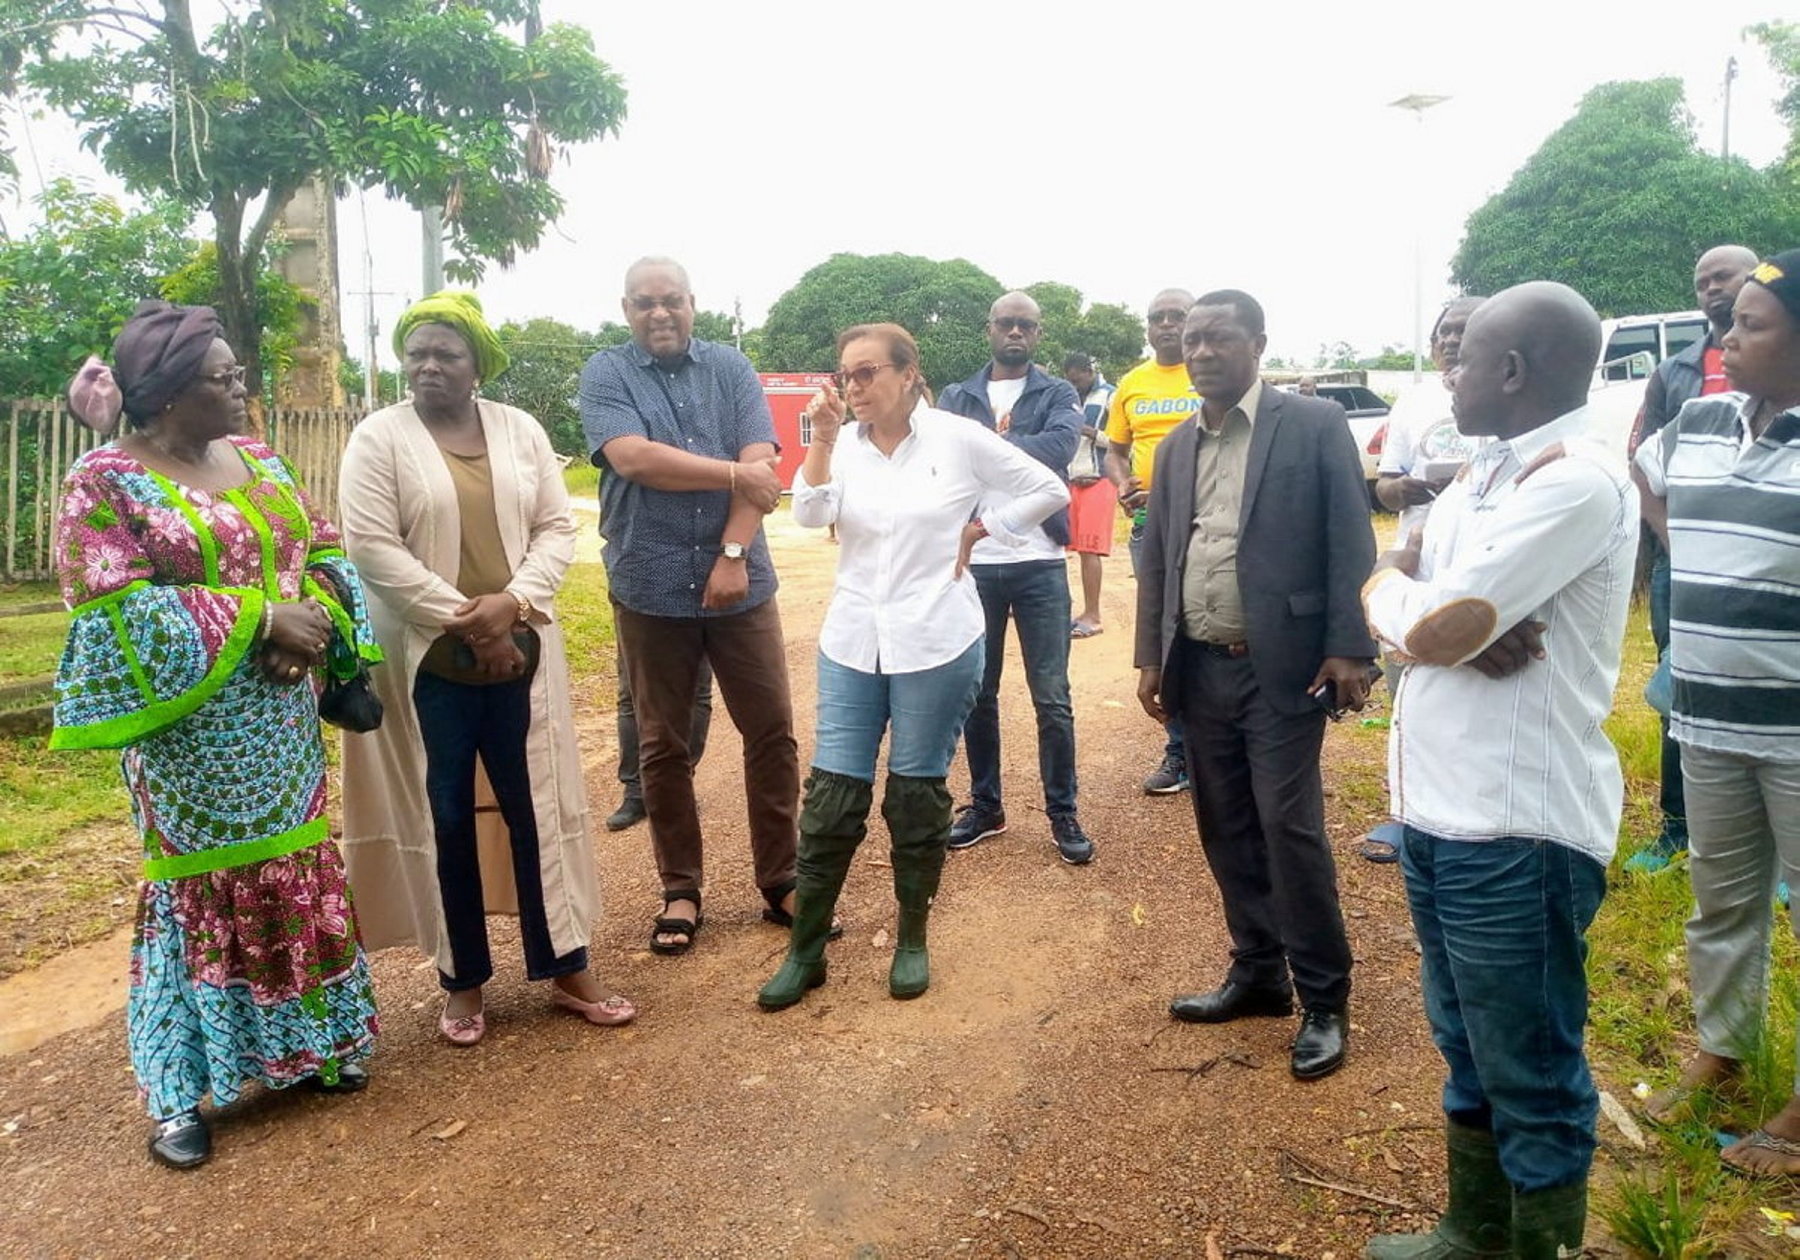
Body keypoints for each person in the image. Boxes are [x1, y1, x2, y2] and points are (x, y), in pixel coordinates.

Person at [52, 300, 380, 1169]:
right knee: (193, 889)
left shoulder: (262, 461)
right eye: (221, 377)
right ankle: (176, 1094)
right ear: (163, 394)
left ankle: (314, 1047)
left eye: (240, 372)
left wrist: (313, 619)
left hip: (279, 722)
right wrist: (258, 619)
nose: (241, 387)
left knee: (295, 865)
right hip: (186, 736)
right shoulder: (105, 480)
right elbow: (109, 609)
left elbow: (325, 548)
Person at [1362, 282, 1635, 1257]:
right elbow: (1435, 609)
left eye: (1465, 355)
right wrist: (1425, 605)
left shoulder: (1575, 481)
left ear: (1512, 371)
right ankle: (1472, 1233)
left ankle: (1539, 1244)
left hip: (1518, 830)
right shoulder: (1483, 476)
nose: (1450, 369)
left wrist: (1396, 595)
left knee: (1531, 1065)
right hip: (1439, 812)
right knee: (1466, 1041)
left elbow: (1432, 617)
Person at [339, 291, 634, 1047]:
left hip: (522, 653)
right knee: (445, 818)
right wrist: (469, 620)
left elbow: (555, 526)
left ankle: (566, 966)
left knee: (535, 804)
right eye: (418, 353)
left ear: (479, 365)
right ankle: (462, 981)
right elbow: (371, 547)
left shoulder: (518, 430)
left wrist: (513, 602)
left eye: (448, 353)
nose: (430, 366)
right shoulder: (379, 437)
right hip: (428, 662)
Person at [757, 324, 1069, 1009]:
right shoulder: (845, 447)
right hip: (853, 637)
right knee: (833, 795)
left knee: (916, 794)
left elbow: (1050, 488)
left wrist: (985, 529)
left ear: (907, 374)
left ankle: (912, 938)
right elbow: (809, 514)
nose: (855, 387)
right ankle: (805, 951)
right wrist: (820, 440)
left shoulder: (958, 440)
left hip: (937, 636)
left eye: (868, 373)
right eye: (847, 375)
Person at [1136, 289, 1376, 1082]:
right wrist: (1150, 657)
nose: (1201, 350)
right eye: (1193, 339)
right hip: (1199, 666)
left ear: (1258, 344)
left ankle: (1325, 996)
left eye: (1219, 338)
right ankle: (1259, 973)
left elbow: (1350, 533)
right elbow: (1159, 557)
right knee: (1224, 822)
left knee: (1289, 827)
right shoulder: (1174, 448)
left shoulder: (1310, 426)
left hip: (1286, 665)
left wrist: (1350, 645)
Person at [1633, 250, 1800, 1178]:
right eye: (1730, 320)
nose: (1728, 339)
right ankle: (1723, 1054)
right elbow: (1645, 476)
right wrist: (1689, 547)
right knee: (1721, 900)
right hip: (1704, 714)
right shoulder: (1697, 416)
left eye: (1753, 325)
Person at [579, 257, 801, 953]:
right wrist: (737, 471)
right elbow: (636, 459)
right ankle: (680, 888)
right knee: (662, 745)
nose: (659, 314)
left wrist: (733, 555)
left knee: (771, 732)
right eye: (644, 303)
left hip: (741, 585)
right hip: (648, 584)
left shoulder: (731, 369)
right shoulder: (606, 373)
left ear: (692, 303)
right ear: (626, 310)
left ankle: (783, 879)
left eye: (670, 300)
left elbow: (761, 469)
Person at [937, 292, 1094, 865]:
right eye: (1006, 323)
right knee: (979, 692)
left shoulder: (1056, 392)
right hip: (975, 564)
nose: (1016, 332)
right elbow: (943, 456)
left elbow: (1059, 446)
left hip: (1040, 562)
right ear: (990, 328)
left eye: (1026, 325)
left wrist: (985, 449)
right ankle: (986, 805)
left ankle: (1062, 811)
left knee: (1051, 697)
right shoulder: (958, 395)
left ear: (1038, 333)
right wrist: (999, 455)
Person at [1622, 244, 1760, 875]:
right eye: (1701, 280)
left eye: (1722, 276)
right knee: (1680, 688)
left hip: (1770, 558)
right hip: (1688, 562)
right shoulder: (1676, 371)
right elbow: (1644, 462)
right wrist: (1672, 539)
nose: (1711, 288)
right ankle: (1678, 829)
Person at [1360, 295, 1486, 864]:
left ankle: (1469, 814)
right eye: (1445, 333)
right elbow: (1383, 486)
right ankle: (1406, 815)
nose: (1453, 341)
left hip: (1483, 564)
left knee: (1476, 688)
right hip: (1417, 559)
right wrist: (1401, 490)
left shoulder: (1504, 395)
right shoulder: (1413, 401)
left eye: (1467, 330)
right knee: (1407, 687)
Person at [1106, 288, 1201, 795]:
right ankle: (1179, 752)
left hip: (1210, 523)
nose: (1166, 325)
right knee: (1167, 634)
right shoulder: (1132, 383)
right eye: (1157, 318)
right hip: (1151, 528)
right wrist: (1122, 482)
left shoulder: (1209, 374)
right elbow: (1114, 450)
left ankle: (1217, 749)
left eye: (1176, 316)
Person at [606, 620, 714, 832]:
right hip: (637, 596)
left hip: (697, 599)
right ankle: (636, 792)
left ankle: (680, 785)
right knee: (632, 694)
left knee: (695, 690)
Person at [1061, 352, 1115, 638]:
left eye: (1078, 379)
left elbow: (1121, 440)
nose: (1075, 384)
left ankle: (1093, 615)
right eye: (1070, 380)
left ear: (1090, 371)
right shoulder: (1068, 398)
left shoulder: (1111, 396)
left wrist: (1092, 433)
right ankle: (1075, 612)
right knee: (1070, 547)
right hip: (1072, 481)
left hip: (1099, 479)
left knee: (1090, 549)